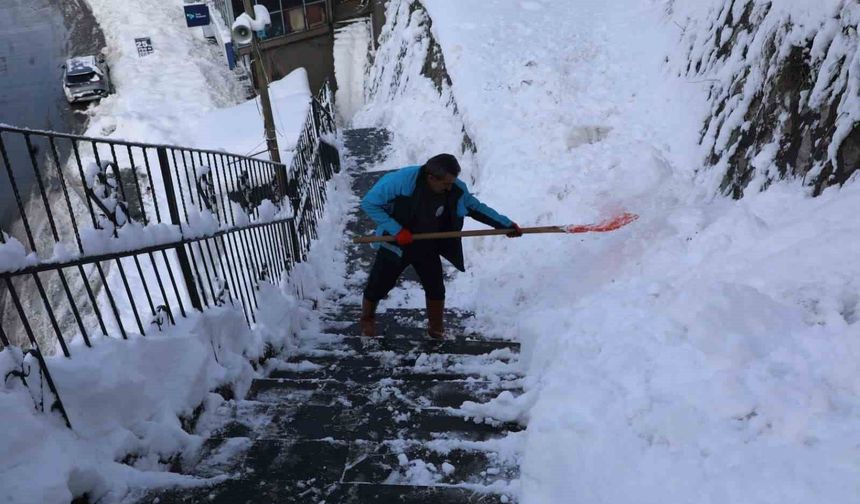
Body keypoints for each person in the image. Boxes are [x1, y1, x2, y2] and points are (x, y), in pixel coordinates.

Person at [359, 153, 522, 339]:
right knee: (379, 285)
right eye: (445, 184)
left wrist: (505, 225)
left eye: (451, 183)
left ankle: (436, 329)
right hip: (395, 244)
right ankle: (367, 319)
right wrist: (396, 230)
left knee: (436, 287)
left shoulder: (455, 190)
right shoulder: (400, 181)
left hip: (427, 245)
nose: (449, 188)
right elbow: (369, 203)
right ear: (431, 178)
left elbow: (476, 208)